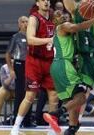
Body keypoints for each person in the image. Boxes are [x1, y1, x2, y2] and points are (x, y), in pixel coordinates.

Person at [42, 10, 94, 135]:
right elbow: (77, 27)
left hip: (58, 66)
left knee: (73, 104)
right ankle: (56, 114)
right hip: (64, 65)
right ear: (54, 21)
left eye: (63, 13)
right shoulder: (63, 26)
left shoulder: (64, 33)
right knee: (81, 97)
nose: (62, 15)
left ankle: (71, 128)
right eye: (58, 15)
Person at [63, 0, 94, 134]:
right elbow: (68, 4)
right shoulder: (76, 9)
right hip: (84, 56)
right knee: (81, 92)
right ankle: (74, 124)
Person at [10, 0, 58, 134]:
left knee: (54, 95)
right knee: (30, 96)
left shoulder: (54, 17)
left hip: (49, 61)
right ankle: (16, 126)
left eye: (48, 0)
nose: (46, 2)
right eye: (43, 0)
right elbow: (30, 40)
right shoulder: (34, 18)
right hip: (35, 61)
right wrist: (49, 40)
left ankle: (51, 130)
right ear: (37, 3)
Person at [5, 16, 35, 127]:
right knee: (20, 93)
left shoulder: (32, 36)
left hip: (30, 65)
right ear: (19, 24)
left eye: (27, 21)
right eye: (22, 22)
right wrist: (11, 69)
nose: (25, 23)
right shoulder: (15, 37)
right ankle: (17, 119)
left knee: (30, 91)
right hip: (19, 64)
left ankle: (27, 120)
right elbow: (8, 54)